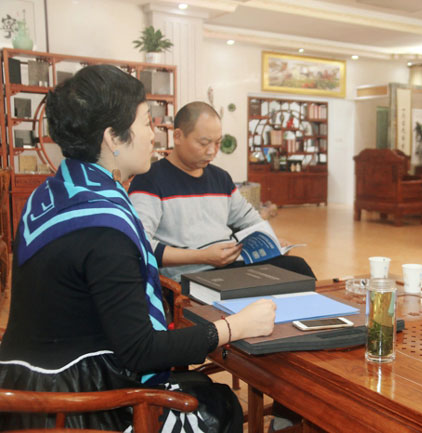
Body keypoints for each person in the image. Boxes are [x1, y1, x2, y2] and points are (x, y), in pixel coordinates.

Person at [0, 65, 276, 432]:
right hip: (76, 405)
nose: (154, 134)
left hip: (25, 383)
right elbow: (140, 350)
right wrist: (233, 327)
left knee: (203, 386)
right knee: (218, 404)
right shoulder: (104, 227)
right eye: (147, 122)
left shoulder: (51, 194)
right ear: (112, 137)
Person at [128, 101, 315, 282]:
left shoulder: (220, 178)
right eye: (203, 143)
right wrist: (202, 256)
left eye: (217, 143)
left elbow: (248, 218)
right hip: (192, 273)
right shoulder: (150, 179)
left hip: (232, 264)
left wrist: (272, 241)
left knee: (298, 269)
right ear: (178, 136)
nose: (212, 151)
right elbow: (139, 244)